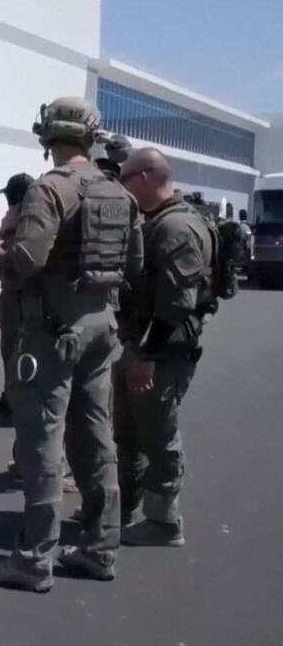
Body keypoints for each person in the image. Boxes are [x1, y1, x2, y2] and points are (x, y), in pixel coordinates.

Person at [0, 96, 143, 593]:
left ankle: (35, 558)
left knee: (41, 439)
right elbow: (135, 265)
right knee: (95, 435)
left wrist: (1, 252)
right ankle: (100, 547)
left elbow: (28, 259)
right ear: (91, 136)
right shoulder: (119, 192)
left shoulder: (49, 189)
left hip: (52, 328)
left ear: (47, 136)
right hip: (100, 324)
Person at [114, 148, 215, 547]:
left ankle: (163, 522)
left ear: (142, 178)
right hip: (143, 345)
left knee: (158, 434)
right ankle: (127, 507)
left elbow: (177, 302)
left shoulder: (176, 227)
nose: (121, 187)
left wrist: (148, 355)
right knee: (131, 429)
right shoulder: (157, 221)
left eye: (123, 179)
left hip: (163, 351)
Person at [0, 172, 34, 417]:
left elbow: (9, 255)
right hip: (24, 293)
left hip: (18, 294)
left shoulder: (21, 218)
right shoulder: (34, 216)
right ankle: (15, 399)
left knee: (14, 351)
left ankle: (14, 402)